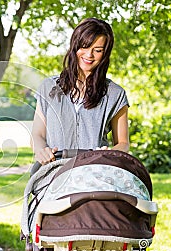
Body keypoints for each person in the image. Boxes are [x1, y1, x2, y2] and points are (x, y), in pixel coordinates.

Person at [31, 18, 130, 165]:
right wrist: (42, 151)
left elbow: (123, 143)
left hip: (94, 173)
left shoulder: (115, 94)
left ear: (105, 54)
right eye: (84, 47)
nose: (89, 55)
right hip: (54, 172)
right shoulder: (48, 87)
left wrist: (107, 156)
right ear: (74, 46)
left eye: (97, 50)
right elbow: (37, 135)